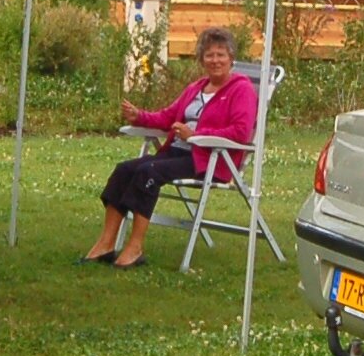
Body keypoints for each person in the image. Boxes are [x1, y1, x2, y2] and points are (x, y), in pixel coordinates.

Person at [86, 25, 259, 268]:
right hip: (177, 152)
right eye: (209, 54)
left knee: (149, 172)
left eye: (221, 54)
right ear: (201, 59)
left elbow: (240, 131)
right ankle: (106, 244)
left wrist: (197, 134)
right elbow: (168, 117)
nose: (215, 60)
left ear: (231, 58)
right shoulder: (195, 88)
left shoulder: (242, 90)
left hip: (208, 159)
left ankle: (135, 248)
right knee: (124, 170)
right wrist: (140, 116)